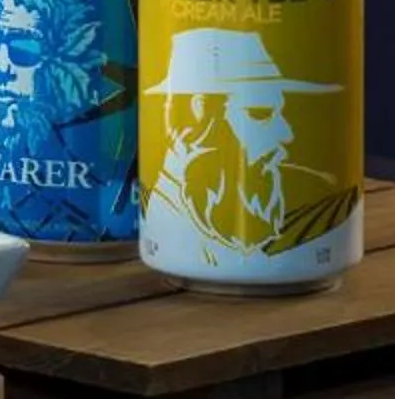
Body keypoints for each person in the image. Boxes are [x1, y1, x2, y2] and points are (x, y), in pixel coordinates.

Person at [143, 27, 342, 253]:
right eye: (260, 113)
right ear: (200, 113)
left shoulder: (211, 232)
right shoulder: (177, 229)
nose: (286, 134)